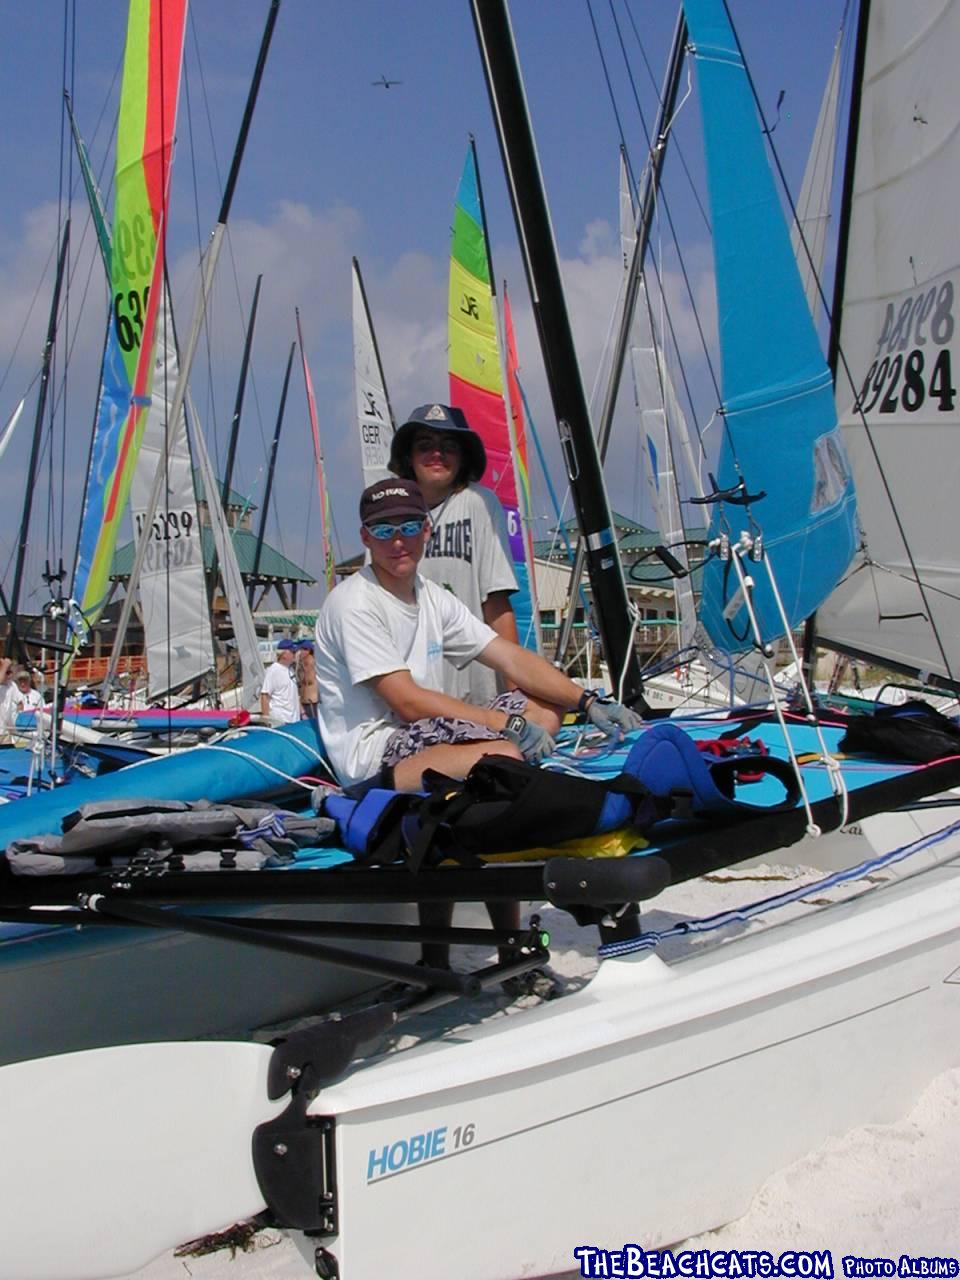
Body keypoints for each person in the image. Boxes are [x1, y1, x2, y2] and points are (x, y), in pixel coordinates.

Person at [314, 478, 644, 986]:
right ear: (365, 537)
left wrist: (586, 699)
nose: (397, 540)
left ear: (426, 530)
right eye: (383, 530)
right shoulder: (354, 602)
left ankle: (508, 953)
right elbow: (404, 701)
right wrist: (501, 724)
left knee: (540, 714)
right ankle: (448, 956)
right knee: (500, 760)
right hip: (375, 758)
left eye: (408, 526)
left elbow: (507, 655)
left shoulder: (431, 596)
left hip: (425, 736)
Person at [388, 403, 518, 705]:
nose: (437, 453)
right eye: (425, 446)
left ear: (463, 458)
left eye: (449, 446)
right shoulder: (392, 514)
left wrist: (517, 695)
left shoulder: (479, 503)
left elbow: (497, 603)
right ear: (408, 457)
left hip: (477, 691)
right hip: (415, 696)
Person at [259, 639, 301, 725]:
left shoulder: (291, 669)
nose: (295, 654)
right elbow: (264, 696)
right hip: (281, 720)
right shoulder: (273, 670)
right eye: (293, 652)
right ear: (284, 654)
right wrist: (266, 721)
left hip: (294, 720)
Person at [297, 639, 318, 721]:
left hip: (311, 702)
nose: (300, 652)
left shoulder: (311, 660)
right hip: (303, 702)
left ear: (308, 650)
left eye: (302, 650)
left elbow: (307, 679)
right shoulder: (301, 663)